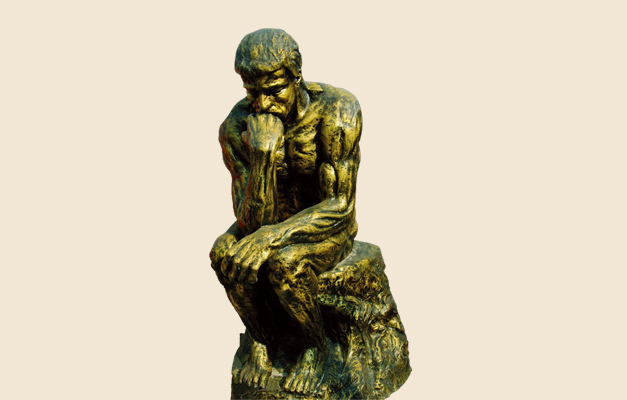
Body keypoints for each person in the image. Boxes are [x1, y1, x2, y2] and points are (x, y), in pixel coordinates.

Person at [210, 28, 361, 395]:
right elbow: (250, 222)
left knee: (284, 264)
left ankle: (315, 348)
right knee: (223, 254)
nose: (263, 104)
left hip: (325, 228)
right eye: (252, 92)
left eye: (274, 90)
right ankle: (262, 337)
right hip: (266, 222)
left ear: (297, 77)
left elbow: (339, 205)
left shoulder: (337, 111)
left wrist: (272, 237)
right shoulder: (237, 126)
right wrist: (263, 157)